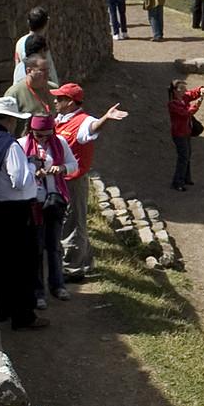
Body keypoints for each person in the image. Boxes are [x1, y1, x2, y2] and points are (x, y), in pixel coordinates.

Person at [0, 95, 44, 331]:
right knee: (23, 264)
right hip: (16, 210)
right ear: (11, 121)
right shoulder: (10, 146)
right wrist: (32, 166)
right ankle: (23, 315)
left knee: (2, 261)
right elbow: (21, 181)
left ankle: (2, 309)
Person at [53, 83, 126, 279]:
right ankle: (84, 262)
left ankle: (72, 269)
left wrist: (105, 118)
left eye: (59, 98)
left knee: (73, 222)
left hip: (73, 181)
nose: (55, 101)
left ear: (69, 102)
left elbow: (92, 128)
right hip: (61, 179)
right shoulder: (60, 119)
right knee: (71, 221)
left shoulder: (84, 121)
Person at [23, 110, 77, 304]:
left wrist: (61, 168)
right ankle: (38, 291)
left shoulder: (60, 143)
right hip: (33, 202)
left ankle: (58, 285)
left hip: (55, 200)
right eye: (39, 136)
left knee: (54, 245)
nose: (44, 140)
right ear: (31, 131)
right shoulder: (22, 146)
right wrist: (33, 173)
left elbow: (73, 165)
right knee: (36, 247)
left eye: (48, 135)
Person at [168, 75, 204, 190]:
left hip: (186, 132)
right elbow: (186, 113)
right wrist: (197, 105)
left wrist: (201, 89)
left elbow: (193, 93)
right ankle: (177, 182)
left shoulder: (183, 98)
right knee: (183, 157)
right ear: (175, 91)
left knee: (187, 156)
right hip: (179, 134)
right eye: (182, 89)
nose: (185, 91)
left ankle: (185, 178)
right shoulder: (173, 104)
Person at [13, 7, 58, 85]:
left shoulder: (19, 42)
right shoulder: (40, 44)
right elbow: (49, 70)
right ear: (47, 22)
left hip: (20, 83)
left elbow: (17, 64)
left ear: (28, 22)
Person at [7, 45, 54, 120]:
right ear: (29, 71)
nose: (47, 74)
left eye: (48, 70)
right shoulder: (14, 93)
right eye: (42, 71)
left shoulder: (54, 89)